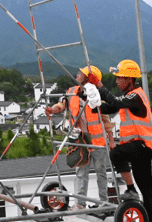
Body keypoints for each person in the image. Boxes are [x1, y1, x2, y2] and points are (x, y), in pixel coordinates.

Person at [94, 59, 152, 222]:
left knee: (116, 154)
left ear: (129, 79)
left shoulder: (135, 96)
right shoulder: (130, 96)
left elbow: (115, 102)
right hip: (142, 146)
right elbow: (111, 107)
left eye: (119, 78)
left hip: (143, 145)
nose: (117, 81)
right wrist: (93, 103)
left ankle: (130, 189)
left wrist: (99, 86)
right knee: (146, 187)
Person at [45, 66, 114, 209]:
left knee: (101, 173)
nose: (78, 75)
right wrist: (52, 110)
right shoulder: (71, 92)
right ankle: (80, 204)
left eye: (81, 74)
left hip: (98, 142)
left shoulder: (96, 96)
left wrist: (111, 140)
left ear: (88, 78)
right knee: (81, 173)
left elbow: (106, 120)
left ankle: (104, 202)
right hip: (80, 142)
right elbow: (61, 105)